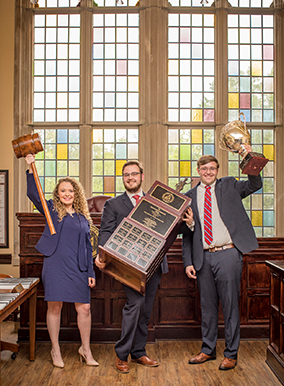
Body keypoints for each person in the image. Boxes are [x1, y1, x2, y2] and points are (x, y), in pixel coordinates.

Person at [95, 160, 189, 374]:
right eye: (126, 175)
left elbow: (175, 227)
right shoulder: (114, 205)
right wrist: (101, 254)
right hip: (128, 266)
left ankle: (138, 352)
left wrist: (188, 222)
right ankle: (122, 355)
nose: (130, 178)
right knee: (135, 305)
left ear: (142, 176)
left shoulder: (157, 202)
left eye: (134, 174)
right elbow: (106, 232)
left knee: (145, 311)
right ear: (123, 178)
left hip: (154, 266)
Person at [182, 150, 262, 371]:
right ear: (198, 171)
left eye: (212, 169)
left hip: (228, 254)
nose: (208, 172)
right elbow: (186, 234)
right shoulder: (188, 197)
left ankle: (231, 353)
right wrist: (188, 261)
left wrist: (249, 157)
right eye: (204, 169)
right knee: (207, 307)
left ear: (217, 171)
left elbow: (255, 185)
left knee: (230, 306)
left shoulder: (230, 185)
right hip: (203, 257)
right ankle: (207, 350)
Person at [25, 154, 98, 368]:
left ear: (76, 194)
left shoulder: (83, 218)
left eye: (71, 190)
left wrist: (91, 273)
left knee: (84, 308)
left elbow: (88, 247)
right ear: (58, 193)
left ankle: (85, 349)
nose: (67, 193)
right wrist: (30, 166)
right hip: (55, 265)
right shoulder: (51, 210)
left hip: (79, 267)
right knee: (54, 307)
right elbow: (32, 192)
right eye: (63, 190)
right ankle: (55, 349)